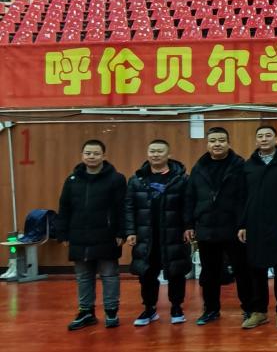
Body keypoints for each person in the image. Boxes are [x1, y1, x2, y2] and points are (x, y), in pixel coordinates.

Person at [184, 127, 254, 326]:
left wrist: (244, 224)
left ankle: (249, 308)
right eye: (213, 140)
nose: (217, 144)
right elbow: (190, 197)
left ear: (228, 143)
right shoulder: (199, 167)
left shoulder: (240, 166)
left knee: (242, 271)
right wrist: (189, 224)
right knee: (209, 273)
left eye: (221, 140)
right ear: (207, 144)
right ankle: (211, 310)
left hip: (234, 229)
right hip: (207, 228)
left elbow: (246, 198)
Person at [56, 139, 128, 331]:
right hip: (79, 236)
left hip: (107, 235)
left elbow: (122, 207)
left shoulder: (116, 179)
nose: (91, 156)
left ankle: (111, 312)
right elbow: (64, 208)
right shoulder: (72, 180)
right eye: (88, 153)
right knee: (83, 276)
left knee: (109, 275)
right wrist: (62, 233)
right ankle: (86, 312)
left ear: (104, 156)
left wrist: (122, 231)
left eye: (96, 153)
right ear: (82, 155)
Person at [124, 140, 191, 326]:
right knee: (147, 273)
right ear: (147, 154)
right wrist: (130, 231)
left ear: (168, 155)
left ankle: (176, 307)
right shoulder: (136, 180)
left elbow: (188, 206)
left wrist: (188, 227)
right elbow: (128, 207)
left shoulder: (181, 179)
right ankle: (149, 308)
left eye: (160, 151)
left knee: (176, 272)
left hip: (173, 234)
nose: (155, 154)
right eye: (152, 151)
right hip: (146, 235)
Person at [239, 125, 277, 329]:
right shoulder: (248, 165)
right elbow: (243, 198)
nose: (264, 139)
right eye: (260, 136)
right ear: (256, 140)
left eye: (268, 135)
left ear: (276, 139)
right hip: (254, 224)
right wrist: (242, 224)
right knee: (256, 268)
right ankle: (259, 311)